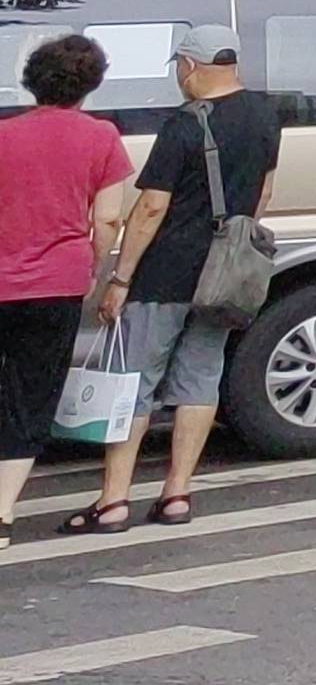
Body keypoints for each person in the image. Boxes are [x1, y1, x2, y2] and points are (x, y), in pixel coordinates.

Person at [76, 24, 278, 533]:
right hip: (225, 277)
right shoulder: (264, 115)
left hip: (165, 273)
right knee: (199, 381)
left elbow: (150, 208)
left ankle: (114, 501)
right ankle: (177, 495)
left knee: (135, 383)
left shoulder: (184, 124)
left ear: (188, 67)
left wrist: (120, 278)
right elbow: (264, 193)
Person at [0, 38, 134, 539]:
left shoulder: (4, 134)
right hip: (57, 283)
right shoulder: (102, 137)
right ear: (91, 84)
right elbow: (109, 218)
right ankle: (1, 512)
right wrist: (95, 268)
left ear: (32, 81)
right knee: (30, 396)